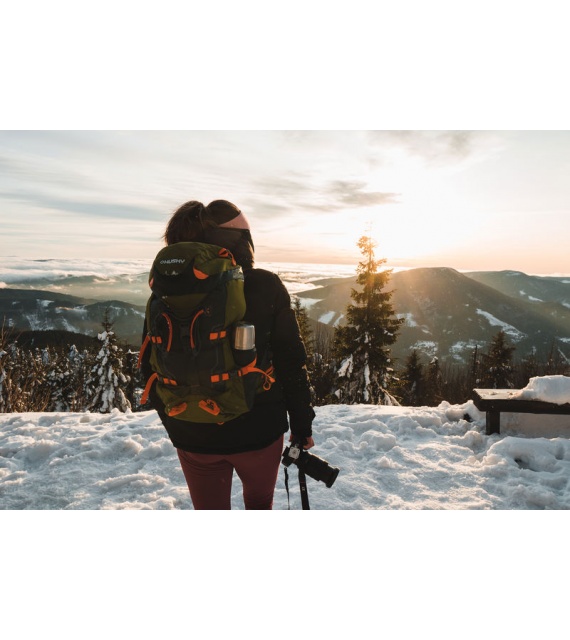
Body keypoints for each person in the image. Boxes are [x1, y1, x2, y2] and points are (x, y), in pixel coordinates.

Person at [140, 199, 315, 509]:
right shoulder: (264, 285)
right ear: (240, 240)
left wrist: (177, 423)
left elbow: (148, 365)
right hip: (259, 432)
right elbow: (291, 362)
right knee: (259, 502)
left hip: (192, 434)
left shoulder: (165, 293)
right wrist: (302, 427)